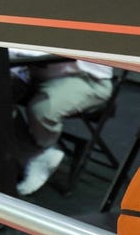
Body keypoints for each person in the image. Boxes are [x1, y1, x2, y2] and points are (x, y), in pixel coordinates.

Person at [11, 56, 114, 195]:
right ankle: (33, 152)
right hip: (33, 71)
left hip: (86, 77)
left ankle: (38, 152)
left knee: (43, 109)